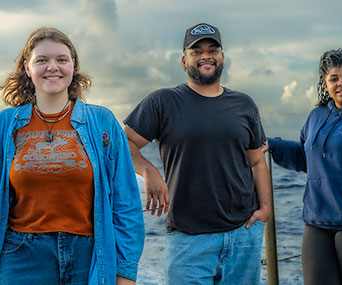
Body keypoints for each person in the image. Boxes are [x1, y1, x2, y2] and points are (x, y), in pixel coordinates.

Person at [124, 23, 272, 284]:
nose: (206, 55)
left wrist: (266, 210)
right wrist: (149, 170)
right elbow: (124, 142)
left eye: (212, 49)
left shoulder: (244, 104)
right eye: (197, 51)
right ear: (184, 61)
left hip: (243, 235)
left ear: (222, 57)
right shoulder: (163, 102)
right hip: (188, 239)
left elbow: (257, 161)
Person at [0, 27, 145, 285]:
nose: (52, 67)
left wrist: (125, 272)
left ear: (73, 66)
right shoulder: (6, 124)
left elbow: (126, 202)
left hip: (89, 256)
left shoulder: (102, 122)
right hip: (21, 256)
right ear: (27, 67)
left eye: (61, 59)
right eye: (42, 60)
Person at [265, 48, 342, 285]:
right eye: (334, 78)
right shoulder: (316, 116)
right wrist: (271, 145)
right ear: (325, 84)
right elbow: (306, 158)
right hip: (317, 221)